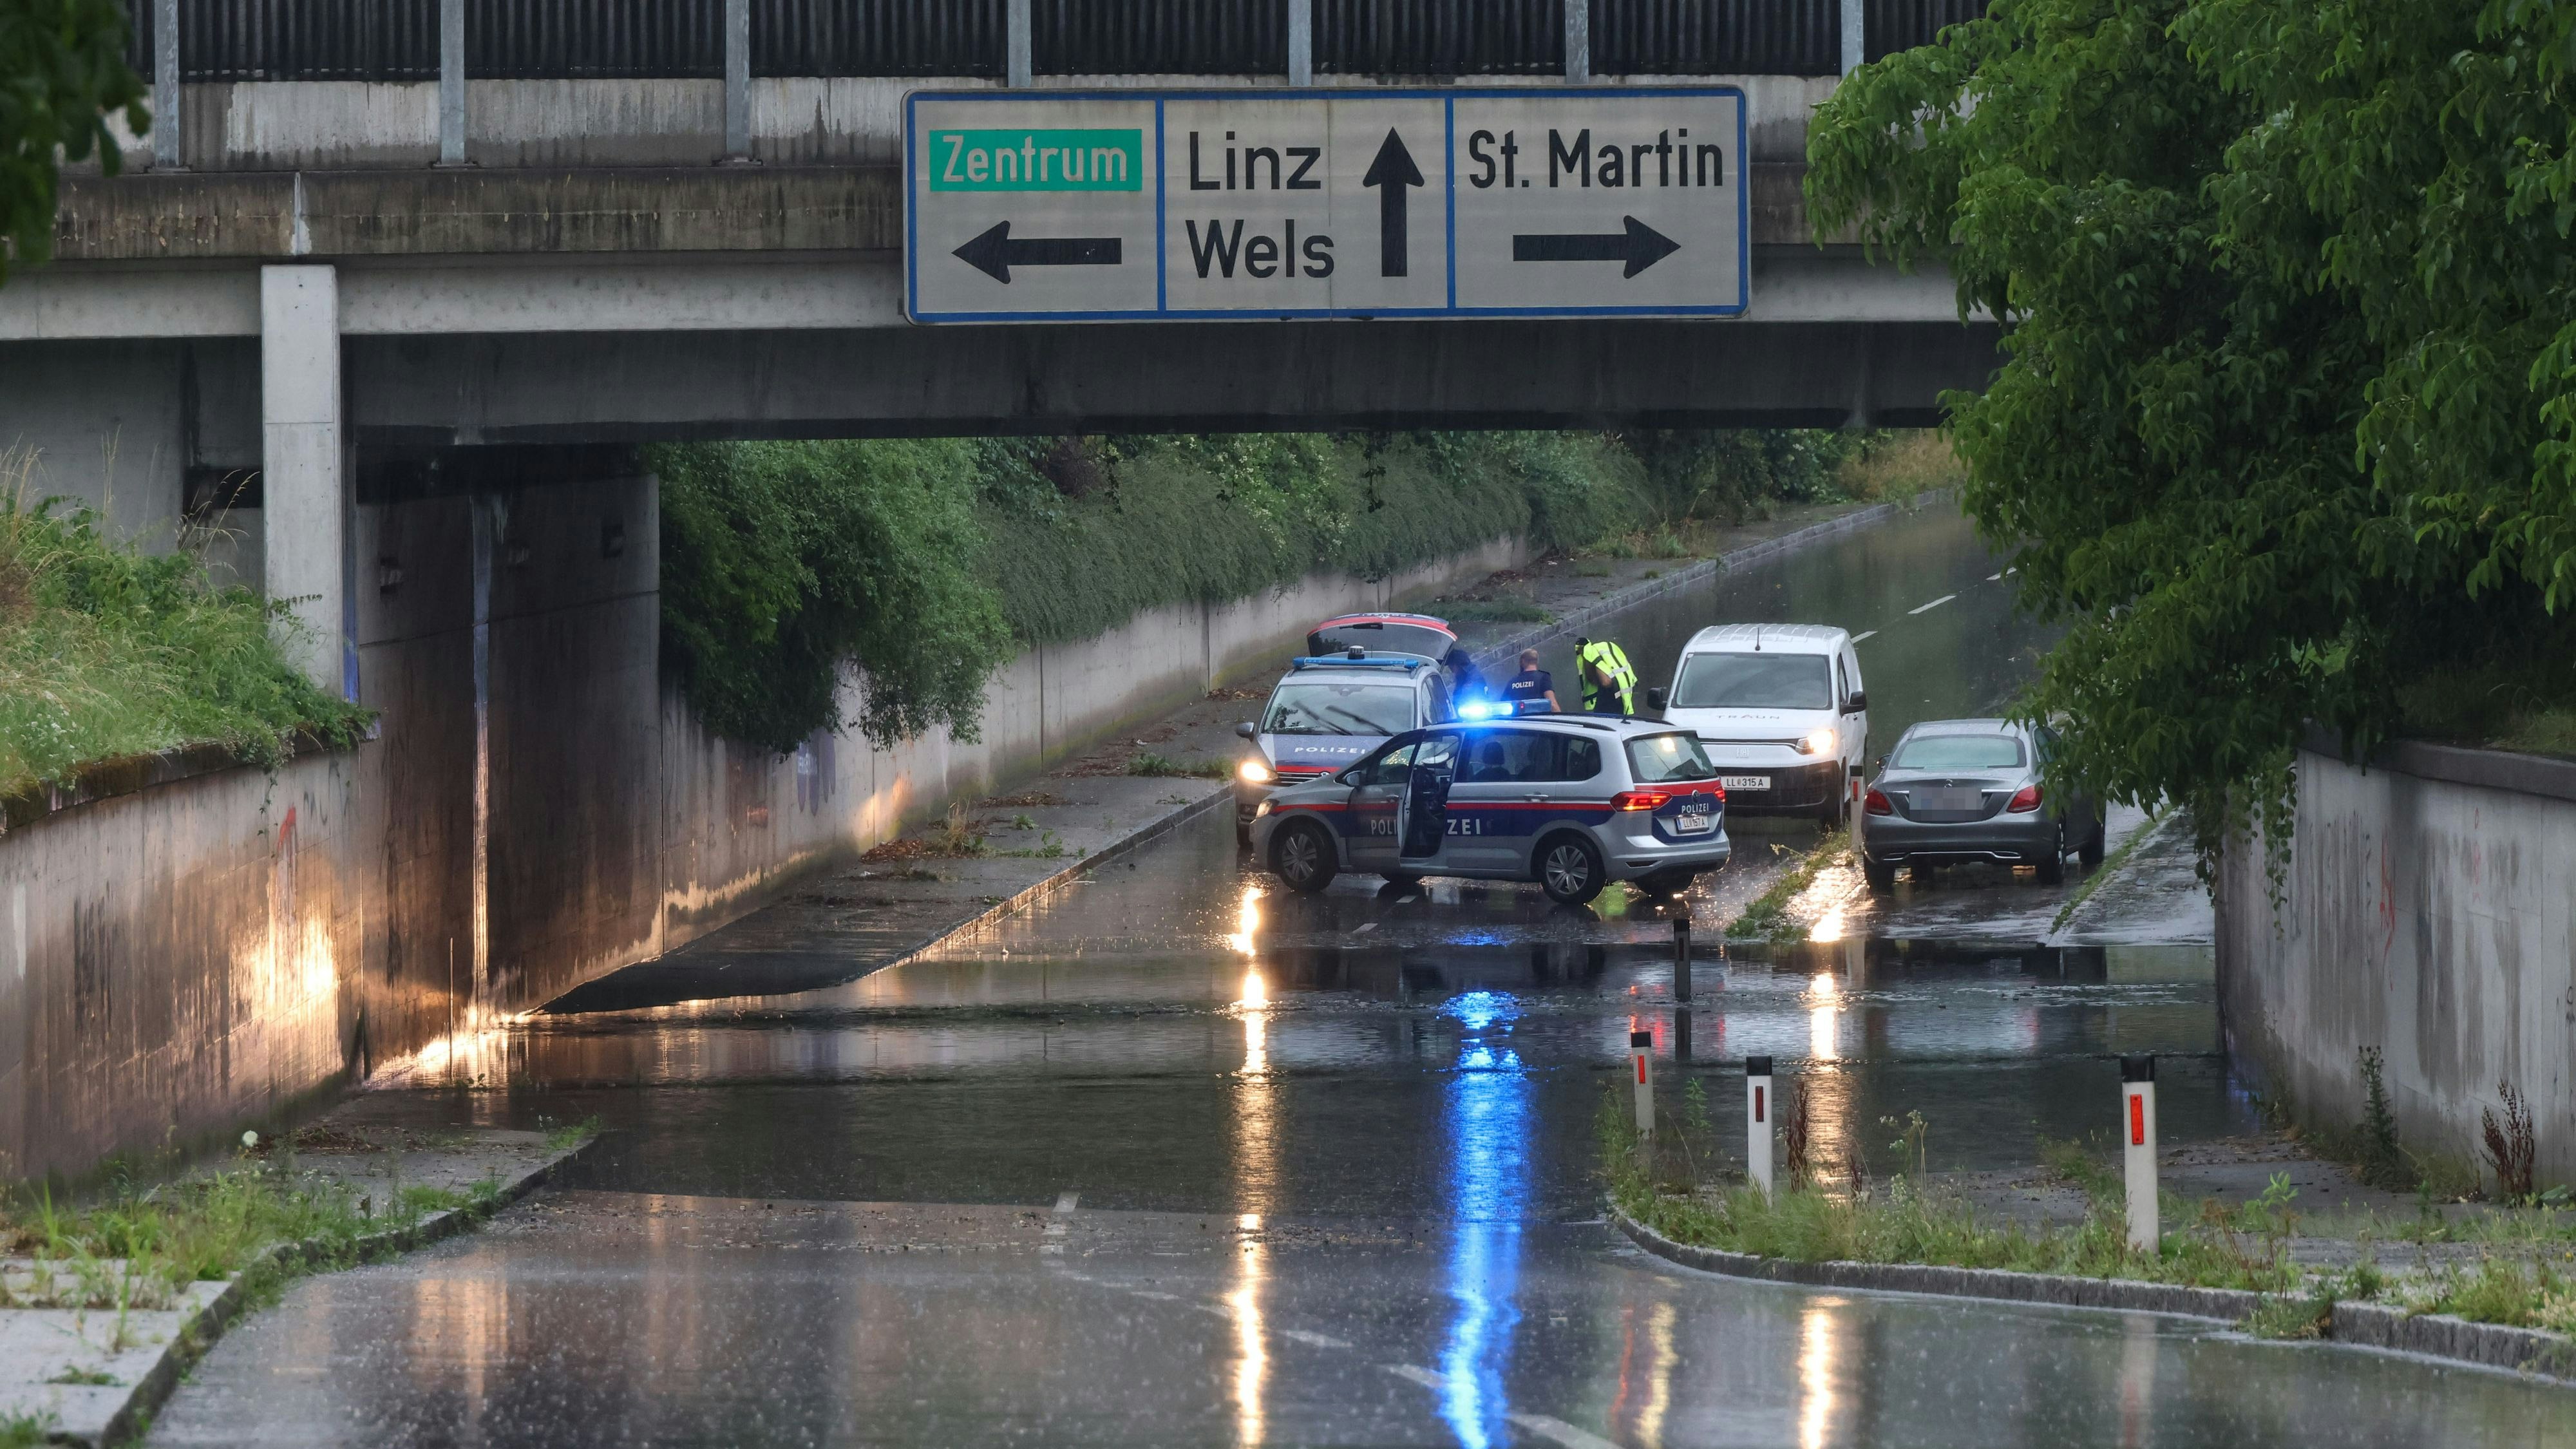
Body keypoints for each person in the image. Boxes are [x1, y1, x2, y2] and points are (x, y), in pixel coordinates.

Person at [1575, 636, 1638, 715]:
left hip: (1611, 706)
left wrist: (1596, 662)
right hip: (1617, 701)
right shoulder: (1610, 652)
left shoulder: (1595, 656)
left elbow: (1606, 682)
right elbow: (1592, 680)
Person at [1501, 649, 1559, 715]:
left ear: (1522, 661)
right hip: (1540, 722)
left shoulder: (1513, 681)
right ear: (1537, 661)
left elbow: (1502, 705)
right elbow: (1552, 704)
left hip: (1518, 722)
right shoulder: (1543, 677)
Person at [1444, 647, 1491, 715]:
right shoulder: (1464, 675)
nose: (1451, 670)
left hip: (1472, 716)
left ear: (1458, 665)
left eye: (1451, 666)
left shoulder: (1473, 679)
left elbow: (1461, 699)